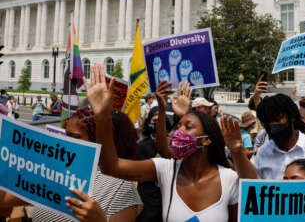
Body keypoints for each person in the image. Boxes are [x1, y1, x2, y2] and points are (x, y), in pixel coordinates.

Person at [84, 63, 239, 222]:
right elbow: (111, 167)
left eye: (188, 127)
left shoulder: (229, 179)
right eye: (178, 126)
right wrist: (102, 117)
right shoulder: (166, 169)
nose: (179, 132)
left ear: (207, 140)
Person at [0, 107, 143, 222]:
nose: (67, 143)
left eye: (74, 137)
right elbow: (4, 201)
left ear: (98, 140)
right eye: (66, 135)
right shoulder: (54, 172)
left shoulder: (122, 188)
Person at [136, 106, 163, 222]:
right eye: (155, 121)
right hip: (148, 201)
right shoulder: (141, 145)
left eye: (161, 121)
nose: (158, 125)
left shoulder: (173, 146)